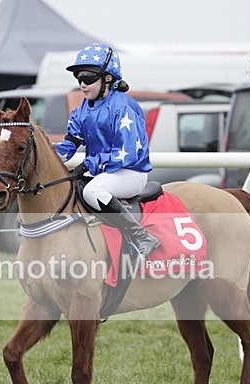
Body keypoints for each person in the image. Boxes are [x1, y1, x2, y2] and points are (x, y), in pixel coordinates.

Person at [54, 43, 160, 259]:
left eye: (88, 77)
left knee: (91, 191)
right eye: (78, 78)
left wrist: (88, 164)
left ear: (108, 78)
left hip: (130, 173)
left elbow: (126, 154)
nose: (82, 84)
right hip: (104, 172)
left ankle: (141, 236)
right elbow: (69, 145)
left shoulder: (124, 107)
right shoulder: (81, 110)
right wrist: (45, 155)